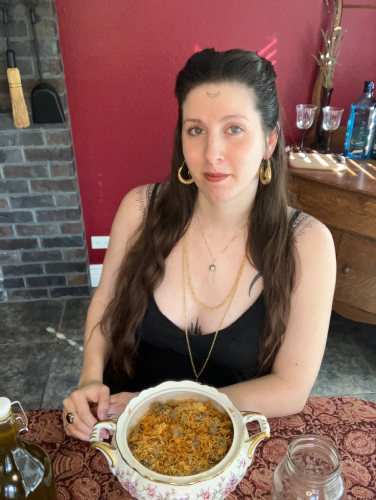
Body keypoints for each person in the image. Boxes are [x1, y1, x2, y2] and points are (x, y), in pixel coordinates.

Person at [63, 48, 336, 441]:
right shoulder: (140, 210)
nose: (212, 154)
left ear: (269, 142)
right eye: (196, 130)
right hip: (124, 434)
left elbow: (291, 389)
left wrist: (161, 408)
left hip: (224, 442)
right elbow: (105, 302)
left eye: (234, 129)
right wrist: (90, 377)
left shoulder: (307, 244)